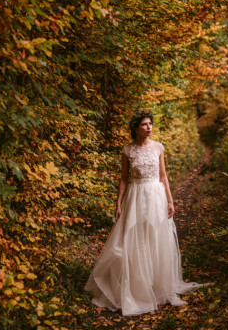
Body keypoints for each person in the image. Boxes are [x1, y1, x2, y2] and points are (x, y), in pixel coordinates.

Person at [84, 109, 206, 316]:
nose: (149, 128)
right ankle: (136, 287)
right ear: (135, 128)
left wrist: (170, 201)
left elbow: (163, 176)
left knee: (156, 237)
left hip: (156, 196)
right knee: (135, 239)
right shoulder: (127, 150)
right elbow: (123, 178)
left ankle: (158, 285)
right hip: (136, 196)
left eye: (150, 124)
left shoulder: (158, 147)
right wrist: (118, 203)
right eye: (144, 124)